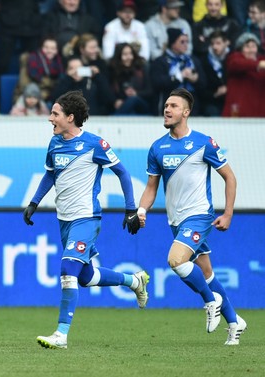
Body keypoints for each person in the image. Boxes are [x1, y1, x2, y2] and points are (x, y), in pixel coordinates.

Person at [23, 90, 150, 350]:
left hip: (86, 218)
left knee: (68, 270)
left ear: (70, 117)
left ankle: (61, 335)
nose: (50, 118)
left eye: (55, 114)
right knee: (85, 276)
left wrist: (130, 209)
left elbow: (123, 173)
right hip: (64, 220)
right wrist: (34, 202)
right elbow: (50, 175)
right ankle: (134, 281)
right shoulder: (54, 143)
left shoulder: (95, 144)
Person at [137, 88, 246, 346]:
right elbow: (152, 186)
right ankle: (234, 322)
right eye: (166, 105)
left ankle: (211, 301)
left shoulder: (203, 142)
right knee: (206, 273)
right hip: (175, 221)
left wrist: (228, 213)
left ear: (185, 112)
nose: (167, 109)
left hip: (199, 215)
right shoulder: (157, 147)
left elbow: (230, 177)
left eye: (173, 106)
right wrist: (141, 211)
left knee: (175, 260)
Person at [221, 32, 265, 117]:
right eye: (247, 47)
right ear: (240, 49)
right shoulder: (234, 58)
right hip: (238, 113)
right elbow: (236, 64)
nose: (251, 50)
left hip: (260, 115)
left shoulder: (262, 60)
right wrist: (258, 65)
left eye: (253, 46)